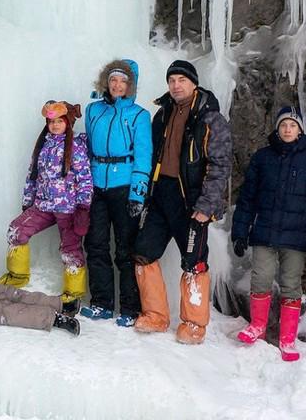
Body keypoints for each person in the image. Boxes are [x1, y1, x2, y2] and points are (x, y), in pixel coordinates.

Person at [133, 60, 231, 344]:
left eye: (182, 80)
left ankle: (194, 324)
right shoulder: (161, 114)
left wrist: (207, 206)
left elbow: (220, 165)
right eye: (172, 80)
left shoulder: (211, 118)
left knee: (194, 262)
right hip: (160, 195)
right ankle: (155, 315)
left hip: (191, 202)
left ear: (194, 83)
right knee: (143, 253)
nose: (176, 85)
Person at [0, 101, 93, 313]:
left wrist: (83, 206)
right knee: (17, 230)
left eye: (59, 121)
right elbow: (33, 175)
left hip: (67, 207)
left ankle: (73, 293)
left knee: (70, 248)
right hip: (42, 204)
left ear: (67, 122)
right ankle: (18, 276)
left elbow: (85, 177)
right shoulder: (44, 144)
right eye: (51, 122)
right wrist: (27, 201)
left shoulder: (76, 145)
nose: (55, 125)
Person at [81, 60, 152, 326]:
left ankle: (130, 308)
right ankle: (101, 303)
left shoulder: (139, 115)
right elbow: (87, 149)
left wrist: (138, 194)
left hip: (124, 186)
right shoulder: (93, 111)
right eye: (113, 80)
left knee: (126, 249)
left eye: (123, 81)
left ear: (130, 85)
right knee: (96, 245)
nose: (117, 85)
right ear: (106, 82)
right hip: (97, 186)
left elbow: (144, 156)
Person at [232, 107, 306, 362]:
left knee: (291, 285)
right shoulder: (263, 158)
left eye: (293, 125)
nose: (287, 129)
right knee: (260, 279)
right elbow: (247, 198)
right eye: (284, 125)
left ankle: (287, 339)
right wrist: (240, 231)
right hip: (264, 232)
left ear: (300, 130)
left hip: (296, 238)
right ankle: (257, 327)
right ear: (277, 128)